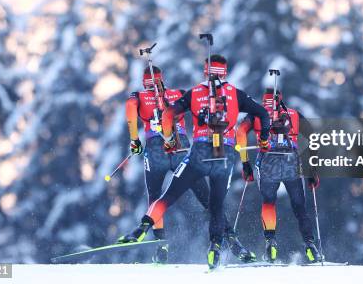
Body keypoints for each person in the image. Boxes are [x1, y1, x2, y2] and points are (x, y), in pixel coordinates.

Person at [119, 55, 270, 269]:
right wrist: (263, 139)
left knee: (161, 196)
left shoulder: (157, 95)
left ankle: (152, 237)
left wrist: (136, 139)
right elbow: (262, 114)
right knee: (211, 202)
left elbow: (134, 107)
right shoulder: (180, 93)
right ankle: (225, 243)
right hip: (206, 149)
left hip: (163, 150)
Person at [235, 87, 322, 264]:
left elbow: (240, 131)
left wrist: (245, 163)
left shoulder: (257, 114)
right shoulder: (294, 114)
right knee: (300, 207)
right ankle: (310, 245)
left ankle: (271, 243)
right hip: (292, 162)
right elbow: (312, 136)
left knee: (269, 203)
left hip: (267, 163)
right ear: (280, 99)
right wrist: (312, 170)